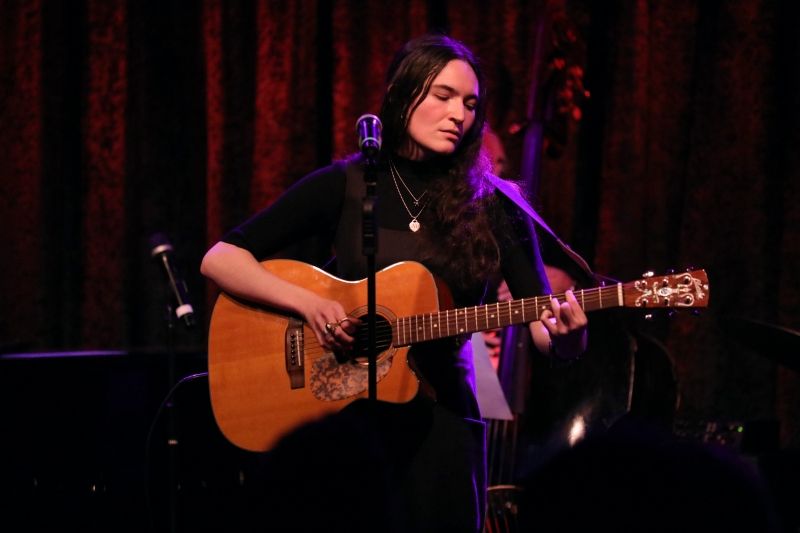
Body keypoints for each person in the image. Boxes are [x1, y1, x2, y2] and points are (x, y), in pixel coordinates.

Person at [201, 34, 588, 532]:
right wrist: (307, 303)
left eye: (470, 104)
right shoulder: (349, 183)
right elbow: (220, 258)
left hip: (440, 420)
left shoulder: (494, 205)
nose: (459, 115)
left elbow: (541, 325)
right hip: (343, 420)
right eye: (443, 96)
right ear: (404, 95)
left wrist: (570, 335)